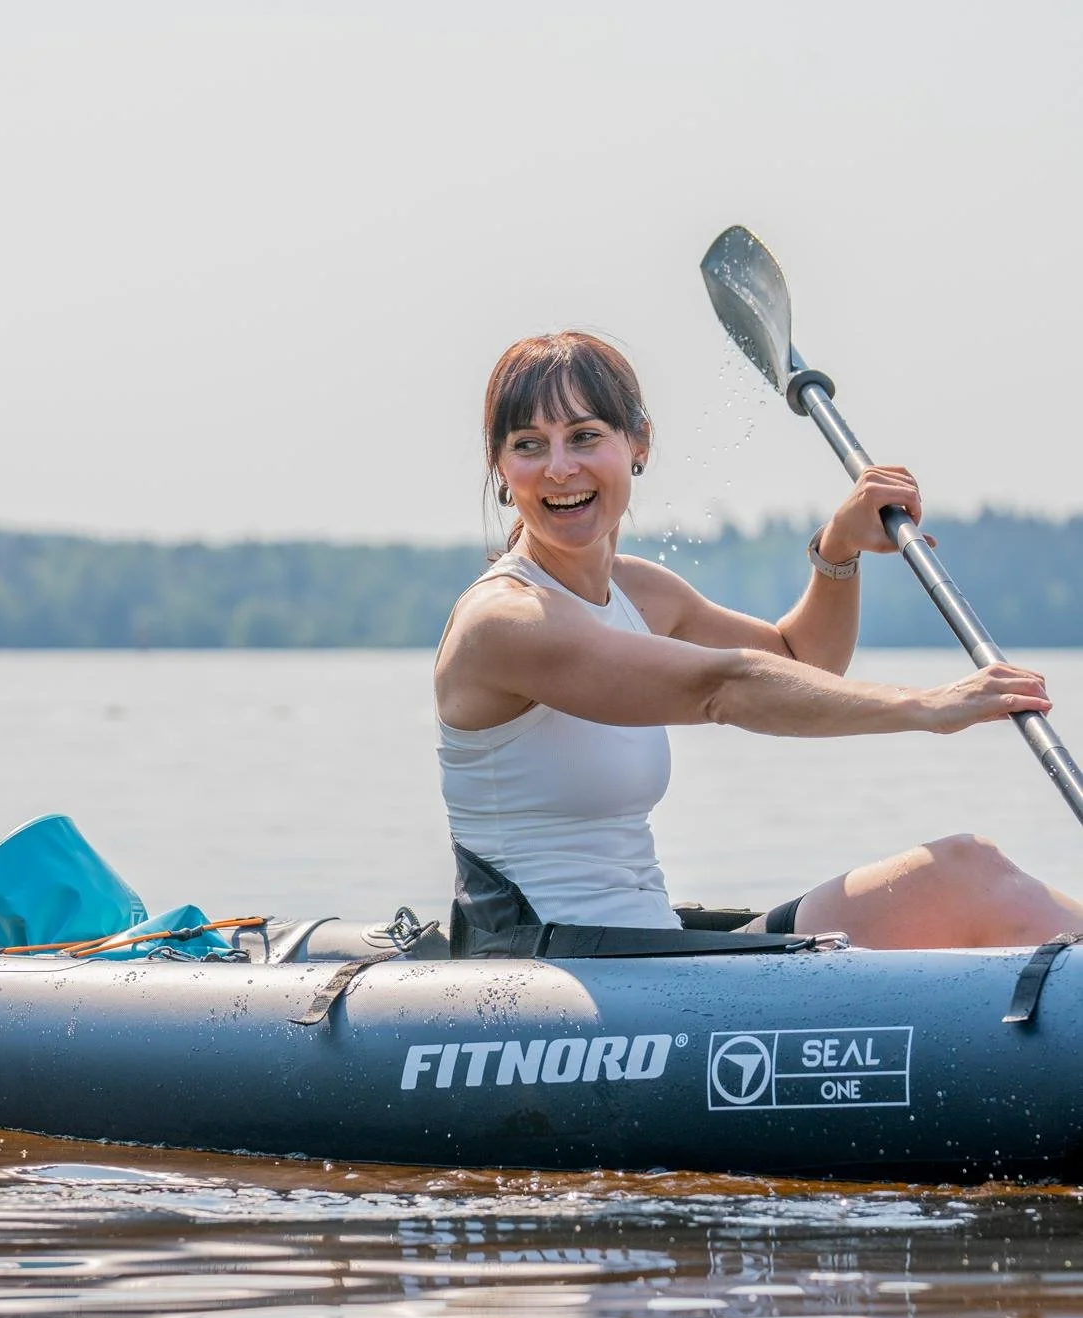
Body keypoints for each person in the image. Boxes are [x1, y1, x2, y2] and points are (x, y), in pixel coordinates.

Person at [434, 331, 1083, 950]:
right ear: (501, 466)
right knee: (963, 879)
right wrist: (926, 708)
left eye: (584, 436)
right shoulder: (504, 622)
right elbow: (722, 687)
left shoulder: (641, 593)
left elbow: (804, 662)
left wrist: (840, 547)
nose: (559, 468)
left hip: (647, 946)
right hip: (546, 975)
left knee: (967, 869)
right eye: (528, 444)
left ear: (639, 444)